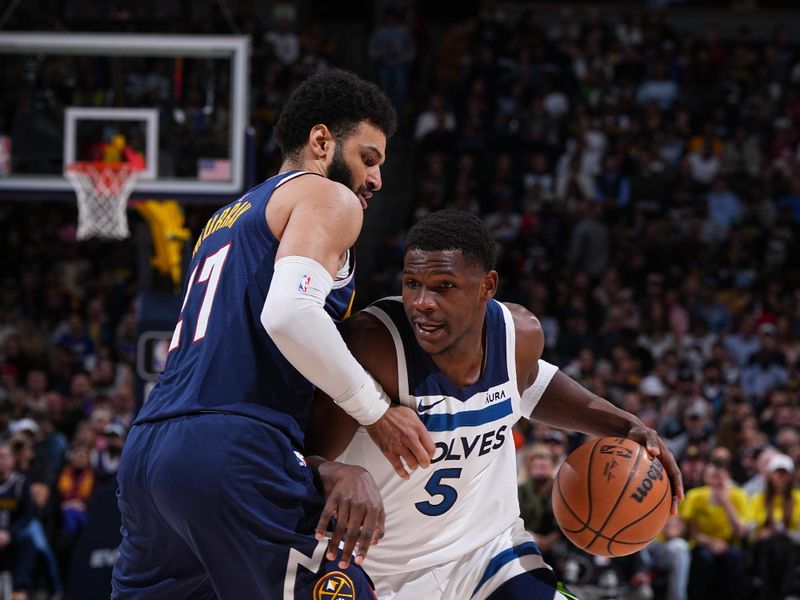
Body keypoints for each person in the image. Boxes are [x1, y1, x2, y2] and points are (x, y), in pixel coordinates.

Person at [112, 69, 435, 599]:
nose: (375, 180)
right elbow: (289, 314)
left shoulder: (226, 217)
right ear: (321, 140)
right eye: (369, 159)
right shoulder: (328, 198)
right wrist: (376, 413)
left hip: (149, 454)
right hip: (234, 447)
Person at [308, 210, 684, 600]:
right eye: (412, 283)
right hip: (380, 573)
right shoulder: (373, 344)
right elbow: (303, 454)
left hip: (489, 555)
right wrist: (334, 471)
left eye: (444, 286)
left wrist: (626, 426)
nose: (422, 302)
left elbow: (533, 385)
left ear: (486, 286)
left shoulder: (518, 335)